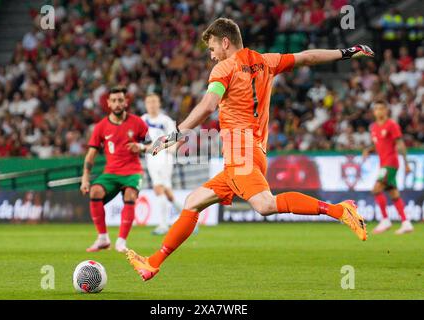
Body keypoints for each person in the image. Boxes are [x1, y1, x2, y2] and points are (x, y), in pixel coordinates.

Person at [127, 18, 374, 281]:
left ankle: (339, 210)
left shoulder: (224, 68)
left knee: (265, 205)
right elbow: (308, 57)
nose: (211, 56)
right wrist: (347, 52)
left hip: (240, 154)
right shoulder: (267, 60)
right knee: (193, 202)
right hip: (254, 152)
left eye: (212, 48)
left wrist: (176, 134)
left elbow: (209, 105)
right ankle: (153, 262)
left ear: (225, 42)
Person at [80, 86, 151, 253]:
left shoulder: (138, 122)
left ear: (126, 102)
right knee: (95, 191)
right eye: (114, 100)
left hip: (133, 172)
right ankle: (103, 238)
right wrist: (85, 178)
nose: (117, 103)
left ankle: (121, 242)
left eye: (120, 100)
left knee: (130, 195)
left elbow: (152, 145)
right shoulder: (101, 127)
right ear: (108, 103)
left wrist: (140, 146)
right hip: (111, 173)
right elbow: (90, 155)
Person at [363, 101, 414, 235]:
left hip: (391, 163)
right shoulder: (373, 127)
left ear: (386, 111)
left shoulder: (392, 125)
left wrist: (407, 163)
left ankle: (385, 219)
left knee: (376, 189)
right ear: (374, 112)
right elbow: (378, 144)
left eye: (381, 108)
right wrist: (369, 150)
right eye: (376, 109)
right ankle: (406, 223)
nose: (379, 111)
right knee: (393, 194)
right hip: (383, 163)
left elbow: (400, 144)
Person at [141, 93, 183, 235]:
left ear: (159, 104)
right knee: (168, 193)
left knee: (159, 189)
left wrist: (171, 150)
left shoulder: (165, 120)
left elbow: (176, 138)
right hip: (151, 159)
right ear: (146, 104)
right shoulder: (143, 120)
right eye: (149, 102)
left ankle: (163, 225)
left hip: (164, 158)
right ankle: (189, 220)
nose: (152, 105)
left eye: (154, 102)